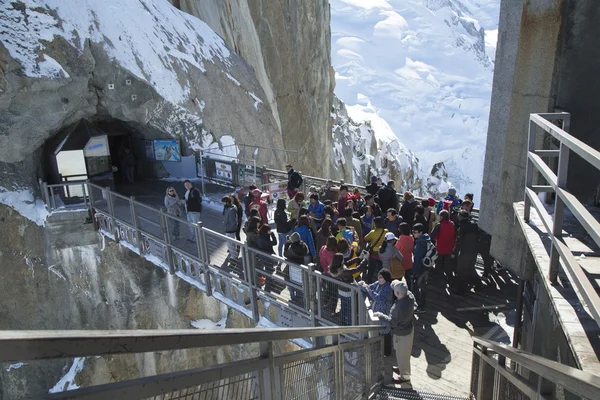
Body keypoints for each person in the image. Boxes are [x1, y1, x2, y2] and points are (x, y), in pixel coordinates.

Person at [374, 280, 415, 384]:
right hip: (407, 330)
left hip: (402, 334)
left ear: (397, 293)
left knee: (403, 356)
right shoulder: (410, 296)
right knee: (402, 354)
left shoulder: (399, 308)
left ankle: (404, 377)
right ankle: (402, 369)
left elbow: (392, 322)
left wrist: (380, 315)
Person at [359, 269, 394, 355]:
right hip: (377, 311)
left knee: (385, 331)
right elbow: (369, 287)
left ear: (385, 278)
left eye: (381, 277)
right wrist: (362, 285)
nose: (378, 278)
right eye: (378, 276)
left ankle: (387, 351)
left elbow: (378, 298)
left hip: (384, 312)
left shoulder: (388, 287)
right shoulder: (378, 283)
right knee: (378, 331)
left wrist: (369, 290)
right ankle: (379, 349)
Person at [329, 252, 368, 325]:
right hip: (349, 293)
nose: (344, 260)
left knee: (343, 308)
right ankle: (351, 325)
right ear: (340, 261)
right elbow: (357, 269)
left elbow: (347, 263)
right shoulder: (344, 271)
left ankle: (342, 324)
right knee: (350, 310)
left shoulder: (334, 269)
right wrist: (365, 260)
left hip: (341, 291)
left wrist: (358, 258)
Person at [452, 210, 482, 295]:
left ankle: (461, 290)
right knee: (470, 268)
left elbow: (459, 242)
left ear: (461, 217)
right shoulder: (474, 225)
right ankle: (478, 284)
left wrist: (454, 252)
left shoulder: (462, 228)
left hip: (465, 252)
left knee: (461, 271)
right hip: (474, 251)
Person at [430, 210, 457, 283]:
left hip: (440, 247)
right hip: (450, 248)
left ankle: (437, 278)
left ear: (441, 217)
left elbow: (432, 236)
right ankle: (450, 278)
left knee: (438, 263)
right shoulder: (452, 224)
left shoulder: (439, 225)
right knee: (448, 264)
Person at [284, 232, 309, 305]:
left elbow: (286, 254)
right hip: (300, 266)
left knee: (289, 281)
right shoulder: (303, 246)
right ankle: (299, 298)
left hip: (292, 266)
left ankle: (293, 297)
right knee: (299, 283)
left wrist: (287, 244)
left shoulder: (292, 247)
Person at [412, 223, 432, 314]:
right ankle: (422, 304)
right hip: (427, 265)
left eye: (415, 232)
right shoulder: (426, 238)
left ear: (420, 232)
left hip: (421, 267)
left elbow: (418, 258)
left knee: (417, 287)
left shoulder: (420, 242)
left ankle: (420, 306)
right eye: (413, 232)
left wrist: (416, 271)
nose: (413, 234)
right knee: (424, 285)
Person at [363, 216, 388, 283]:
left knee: (371, 270)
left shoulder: (372, 232)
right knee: (381, 269)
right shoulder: (386, 231)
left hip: (374, 254)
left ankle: (369, 282)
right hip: (382, 253)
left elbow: (365, 238)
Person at [395, 223, 414, 288]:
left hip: (401, 262)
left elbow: (396, 249)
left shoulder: (401, 239)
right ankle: (410, 291)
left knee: (398, 279)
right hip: (409, 261)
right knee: (408, 279)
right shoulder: (411, 237)